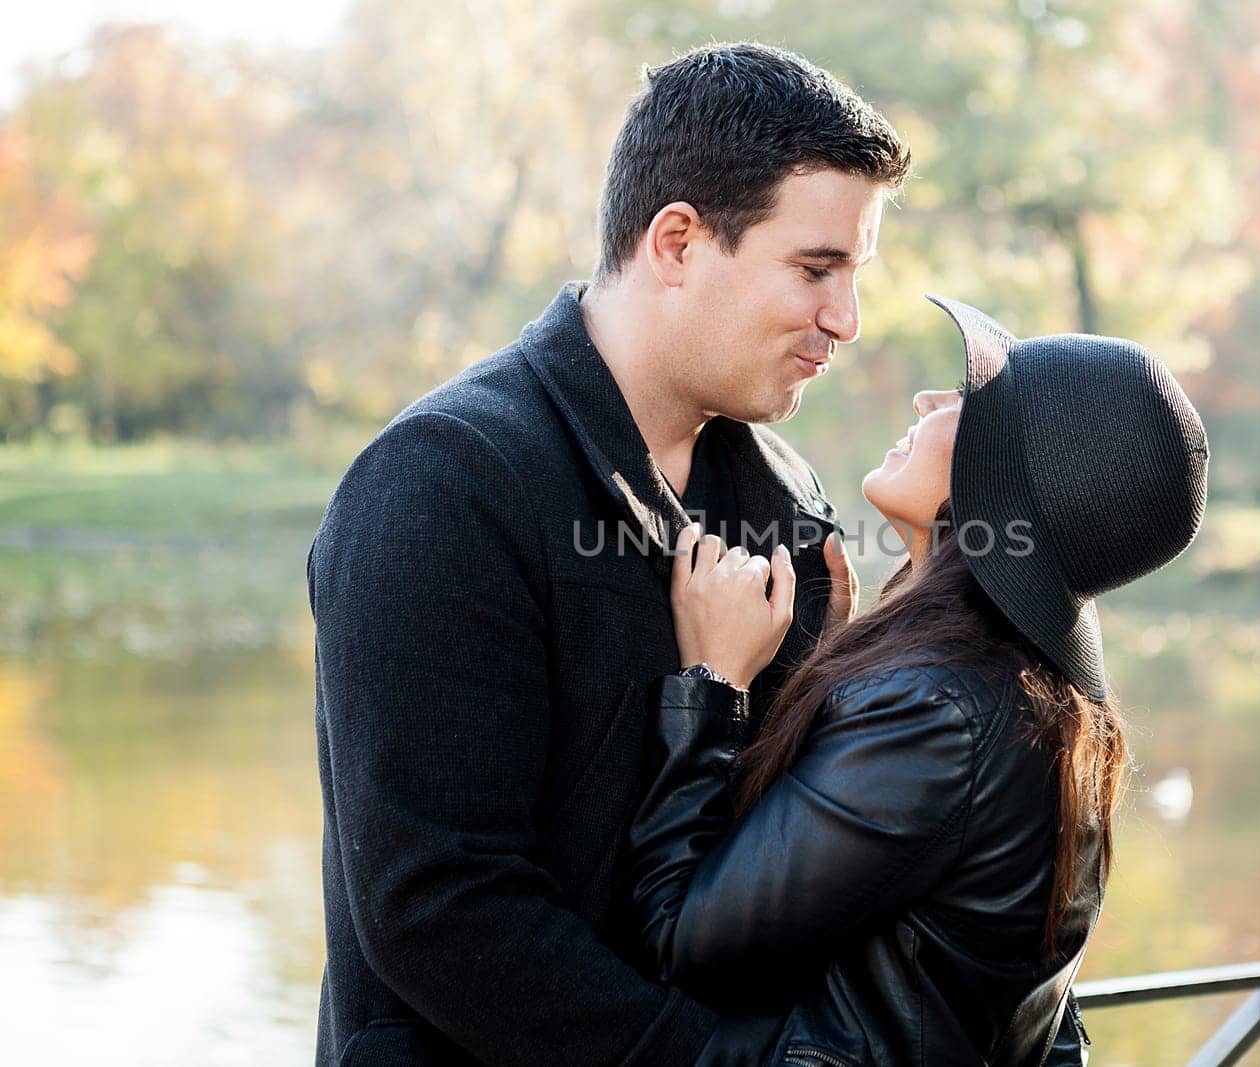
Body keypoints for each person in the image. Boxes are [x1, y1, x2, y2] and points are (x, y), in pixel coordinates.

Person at [308, 43, 908, 1065]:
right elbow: (440, 908)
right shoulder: (441, 482)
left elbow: (776, 863)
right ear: (676, 239)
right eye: (815, 269)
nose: (844, 320)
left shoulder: (788, 499)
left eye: (852, 275)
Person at [628, 295, 1210, 1065]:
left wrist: (712, 682)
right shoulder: (1022, 698)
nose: (927, 399)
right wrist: (830, 663)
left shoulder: (938, 711)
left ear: (1004, 480)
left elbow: (686, 941)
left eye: (968, 401)